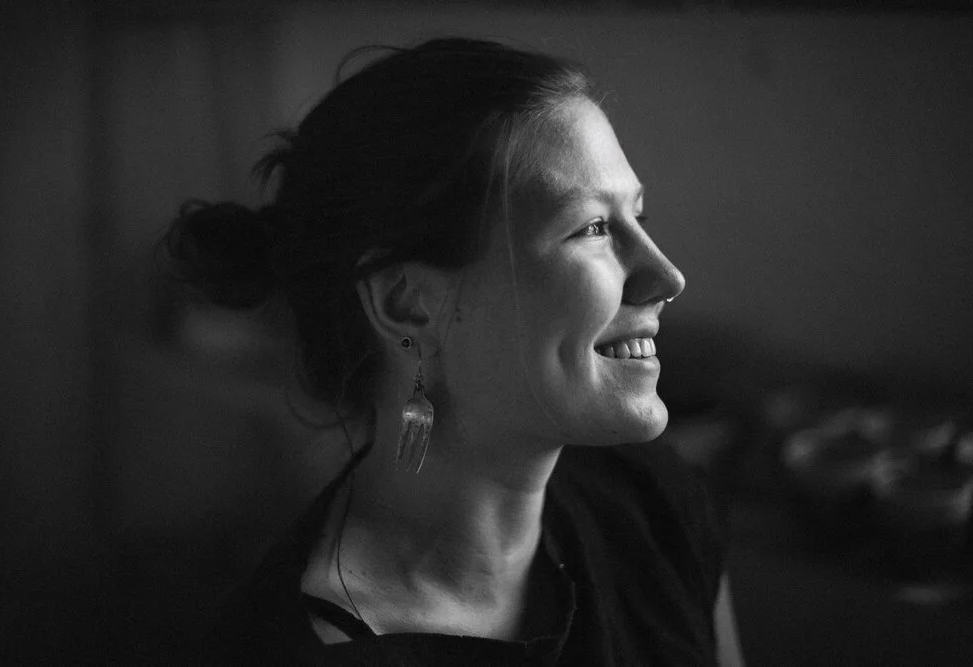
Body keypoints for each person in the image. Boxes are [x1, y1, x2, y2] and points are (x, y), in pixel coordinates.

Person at [164, 37, 743, 666]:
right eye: (593, 228)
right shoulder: (285, 651)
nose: (666, 277)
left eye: (638, 218)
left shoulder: (653, 503)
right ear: (408, 305)